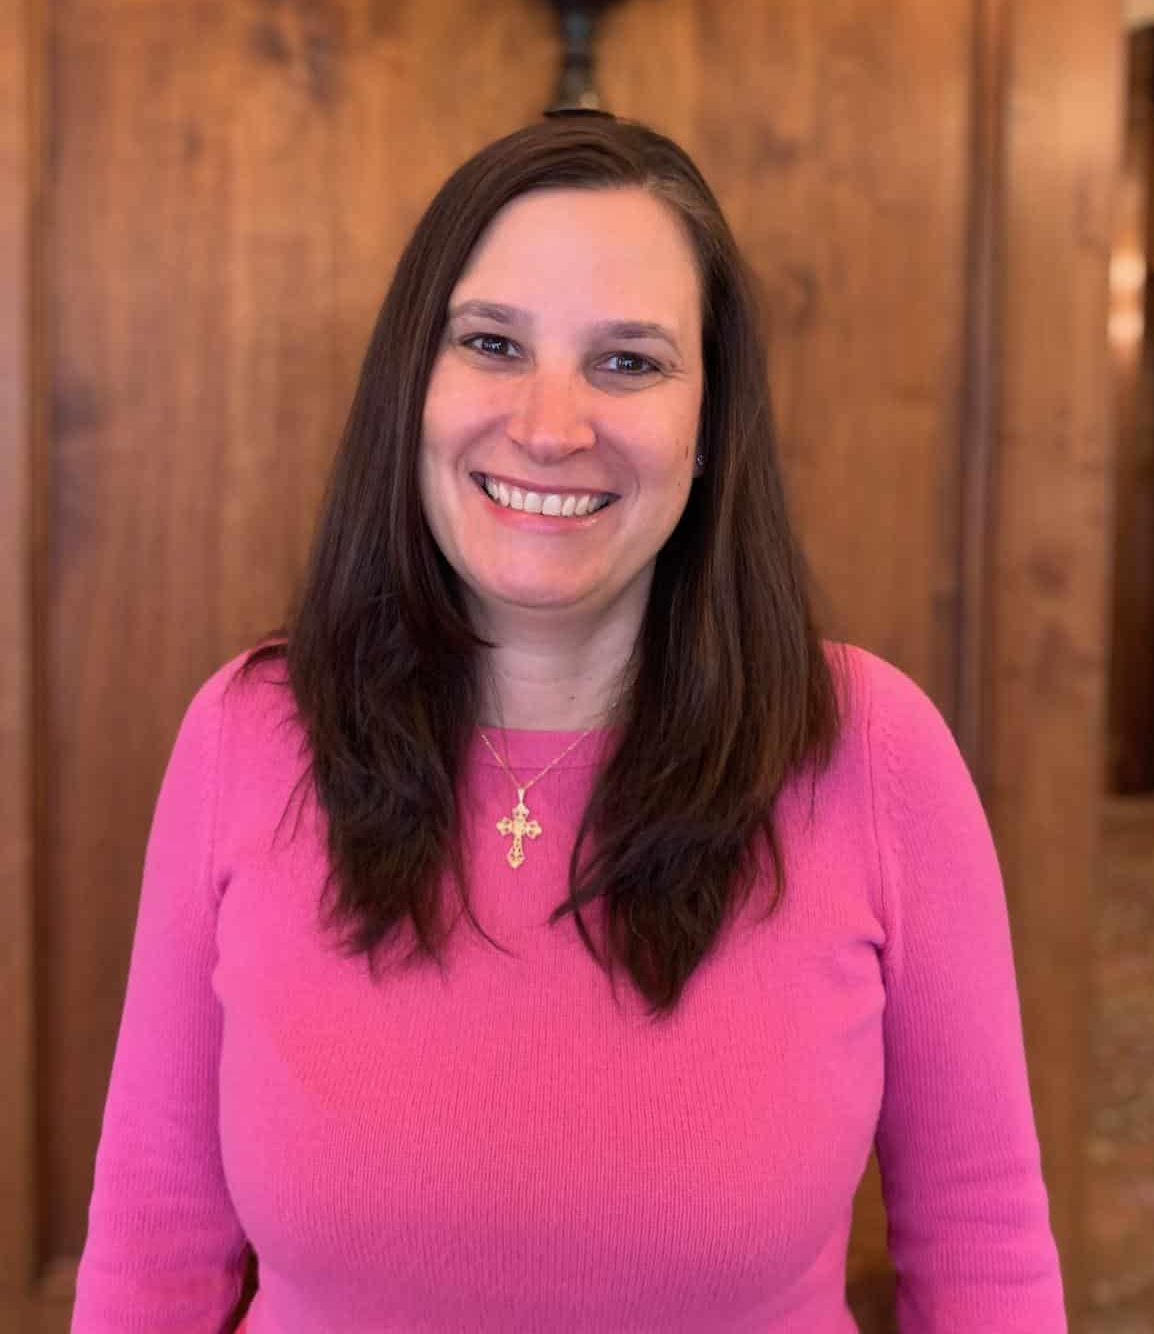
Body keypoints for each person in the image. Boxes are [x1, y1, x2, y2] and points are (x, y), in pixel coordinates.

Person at [71, 114, 1068, 1333]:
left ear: (710, 427)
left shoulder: (873, 750)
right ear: (411, 386)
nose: (550, 426)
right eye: (493, 343)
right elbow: (153, 1246)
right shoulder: (249, 733)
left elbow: (982, 1252)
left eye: (628, 362)